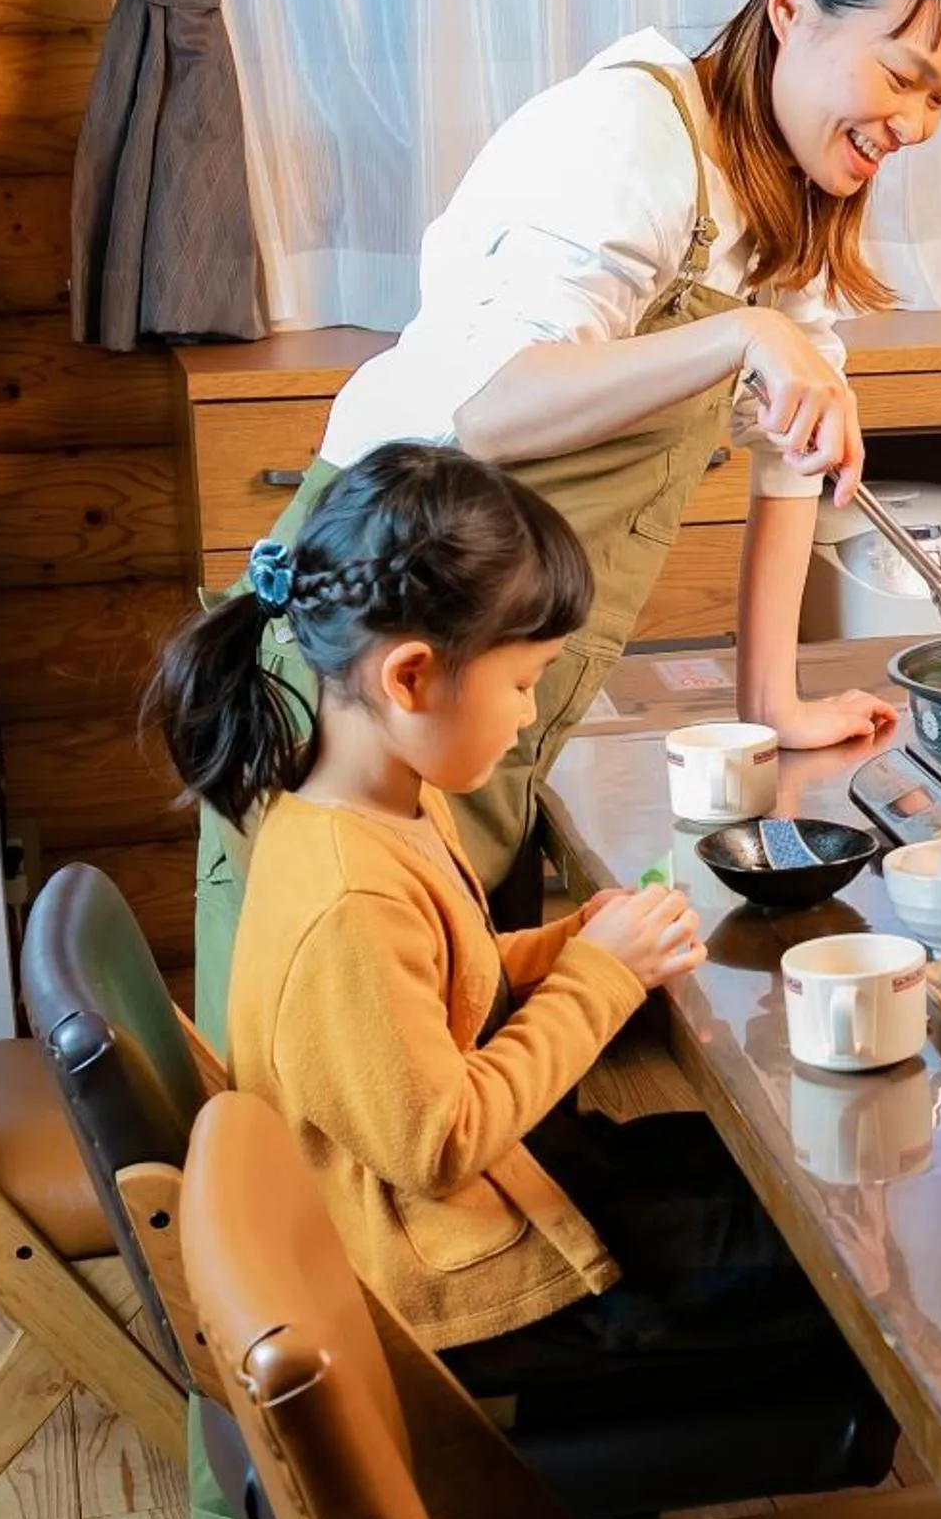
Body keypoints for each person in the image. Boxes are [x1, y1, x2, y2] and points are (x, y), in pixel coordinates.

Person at [193, 0, 941, 1044]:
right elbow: (499, 409)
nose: (913, 123)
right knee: (333, 1081)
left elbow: (794, 457)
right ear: (790, 10)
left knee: (454, 1034)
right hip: (368, 675)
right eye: (901, 76)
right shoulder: (630, 135)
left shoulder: (783, 188)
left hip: (489, 679)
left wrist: (772, 697)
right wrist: (747, 336)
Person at [149, 442, 836, 1392]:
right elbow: (438, 1142)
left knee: (798, 1176)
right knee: (829, 1263)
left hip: (504, 1193)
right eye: (522, 682)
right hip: (456, 1280)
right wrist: (601, 976)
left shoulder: (379, 800)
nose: (528, 714)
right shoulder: (348, 895)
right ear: (410, 677)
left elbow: (443, 980)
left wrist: (569, 944)